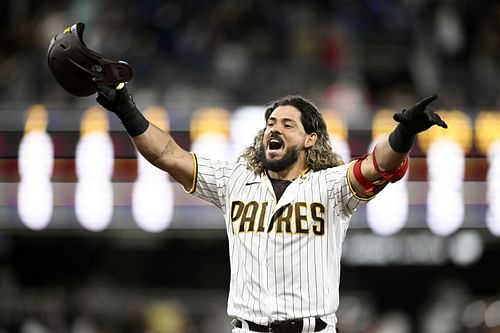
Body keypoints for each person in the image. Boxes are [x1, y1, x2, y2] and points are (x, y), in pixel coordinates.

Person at [95, 83, 447, 333]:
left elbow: (378, 165)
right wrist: (126, 107)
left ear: (310, 140)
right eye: (270, 124)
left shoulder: (330, 186)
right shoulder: (234, 180)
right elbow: (167, 154)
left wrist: (404, 134)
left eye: (286, 124)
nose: (273, 129)